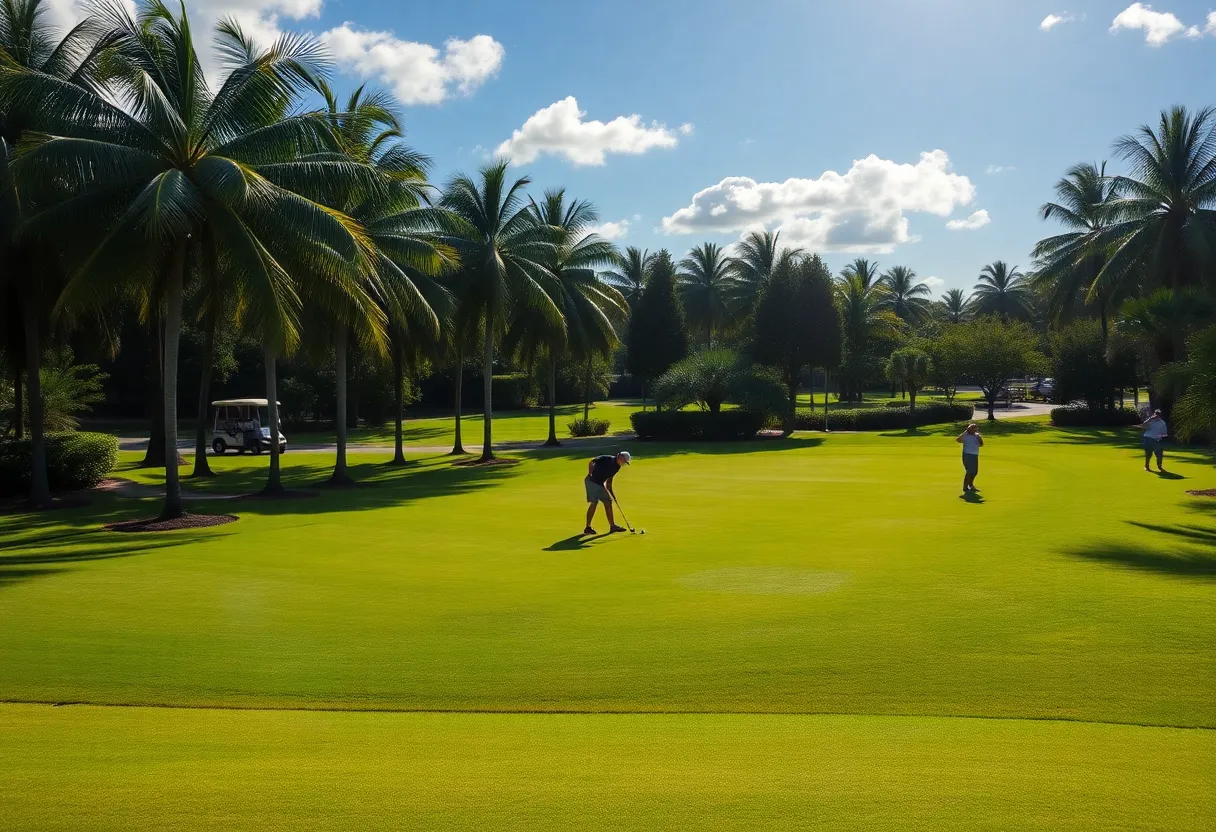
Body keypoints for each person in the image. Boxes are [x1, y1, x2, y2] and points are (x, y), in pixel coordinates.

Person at [584, 451, 631, 535]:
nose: (624, 463)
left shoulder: (617, 467)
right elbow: (592, 461)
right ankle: (588, 527)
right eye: (624, 461)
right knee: (594, 503)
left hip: (600, 483)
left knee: (608, 501)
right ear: (620, 457)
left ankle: (612, 526)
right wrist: (590, 472)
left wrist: (612, 494)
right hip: (591, 482)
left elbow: (609, 482)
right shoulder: (607, 458)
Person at [956, 423, 984, 493]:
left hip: (974, 455)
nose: (974, 429)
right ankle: (965, 487)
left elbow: (981, 445)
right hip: (967, 455)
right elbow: (958, 440)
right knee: (970, 471)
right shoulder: (966, 435)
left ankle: (971, 485)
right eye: (972, 427)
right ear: (969, 429)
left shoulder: (977, 436)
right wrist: (965, 431)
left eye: (975, 427)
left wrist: (980, 439)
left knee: (975, 472)